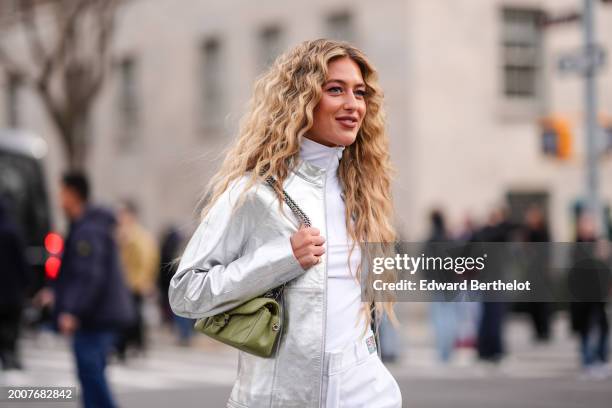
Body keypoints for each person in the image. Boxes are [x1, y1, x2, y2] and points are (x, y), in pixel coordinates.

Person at [169, 38, 402, 407]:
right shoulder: (256, 191)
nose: (352, 104)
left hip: (364, 393)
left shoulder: (362, 194)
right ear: (302, 97)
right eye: (335, 90)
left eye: (360, 93)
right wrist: (282, 258)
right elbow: (186, 293)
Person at [53, 172, 135, 408]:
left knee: (91, 376)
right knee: (91, 376)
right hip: (100, 315)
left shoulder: (88, 230)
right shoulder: (91, 226)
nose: (59, 200)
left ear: (72, 194)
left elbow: (90, 276)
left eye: (62, 193)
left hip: (95, 317)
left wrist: (73, 311)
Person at [116, 200, 160, 359]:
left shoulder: (140, 236)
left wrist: (146, 281)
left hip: (135, 284)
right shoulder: (120, 234)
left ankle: (136, 345)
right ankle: (122, 347)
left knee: (134, 317)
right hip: (122, 284)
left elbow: (148, 260)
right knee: (124, 317)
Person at [0, 198, 31, 370]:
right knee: (12, 324)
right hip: (12, 290)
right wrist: (28, 282)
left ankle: (5, 354)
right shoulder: (13, 230)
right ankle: (10, 354)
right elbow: (21, 259)